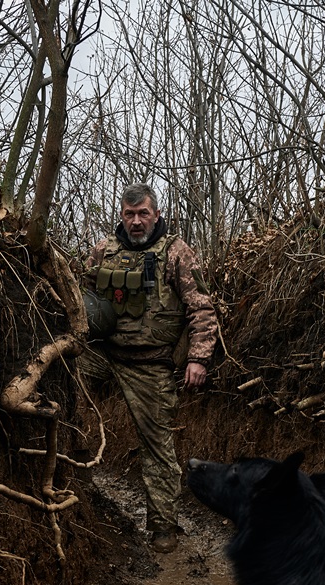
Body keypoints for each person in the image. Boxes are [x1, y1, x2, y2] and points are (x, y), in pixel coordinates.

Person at [80, 183, 219, 553]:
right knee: (64, 395)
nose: (137, 221)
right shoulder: (102, 251)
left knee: (157, 447)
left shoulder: (176, 252)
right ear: (121, 215)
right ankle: (73, 490)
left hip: (150, 365)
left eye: (143, 214)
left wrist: (198, 357)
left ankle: (163, 527)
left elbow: (201, 308)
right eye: (130, 214)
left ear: (156, 214)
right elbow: (79, 299)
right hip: (103, 354)